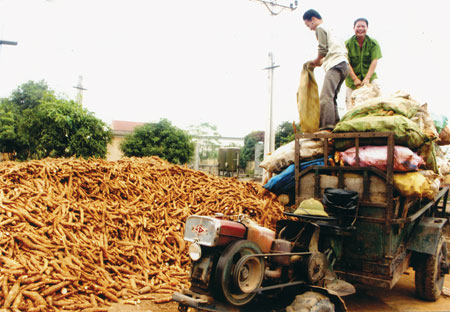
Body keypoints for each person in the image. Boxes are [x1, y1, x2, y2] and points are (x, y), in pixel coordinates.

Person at [303, 9, 349, 130]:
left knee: (325, 97)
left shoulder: (320, 28)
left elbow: (323, 50)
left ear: (313, 19)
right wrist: (321, 62)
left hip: (335, 65)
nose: (310, 28)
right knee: (332, 97)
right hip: (343, 65)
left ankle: (326, 127)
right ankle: (336, 125)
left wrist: (317, 60)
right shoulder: (332, 29)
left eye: (309, 25)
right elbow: (333, 51)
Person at [345, 18, 382, 109]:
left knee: (378, 97)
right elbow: (346, 62)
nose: (360, 28)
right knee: (350, 104)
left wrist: (367, 78)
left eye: (363, 26)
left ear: (367, 28)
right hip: (351, 79)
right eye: (358, 26)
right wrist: (355, 79)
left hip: (369, 76)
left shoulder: (373, 43)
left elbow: (374, 60)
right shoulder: (347, 44)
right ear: (354, 28)